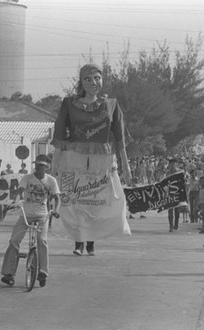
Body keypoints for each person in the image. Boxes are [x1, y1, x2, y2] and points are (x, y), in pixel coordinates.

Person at [51, 64, 132, 256]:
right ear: (81, 82)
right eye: (88, 79)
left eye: (97, 78)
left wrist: (125, 165)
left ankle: (91, 241)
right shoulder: (69, 103)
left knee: (97, 200)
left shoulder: (111, 104)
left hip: (102, 159)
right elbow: (60, 134)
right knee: (75, 200)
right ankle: (78, 242)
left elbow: (119, 138)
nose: (93, 82)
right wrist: (56, 162)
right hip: (74, 159)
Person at [1, 154, 60, 287]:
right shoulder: (27, 178)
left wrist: (56, 210)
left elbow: (57, 198)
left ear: (46, 167)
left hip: (42, 216)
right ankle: (9, 274)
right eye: (37, 165)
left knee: (42, 241)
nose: (38, 168)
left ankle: (43, 272)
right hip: (26, 215)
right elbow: (19, 191)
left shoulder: (51, 181)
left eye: (42, 166)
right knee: (14, 240)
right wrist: (15, 202)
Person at [166, 158, 181, 232]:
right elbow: (165, 183)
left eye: (174, 164)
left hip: (177, 193)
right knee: (170, 211)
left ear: (176, 164)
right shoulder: (168, 173)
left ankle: (176, 225)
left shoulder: (179, 172)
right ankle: (171, 226)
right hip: (170, 193)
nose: (172, 165)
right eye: (171, 164)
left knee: (177, 211)